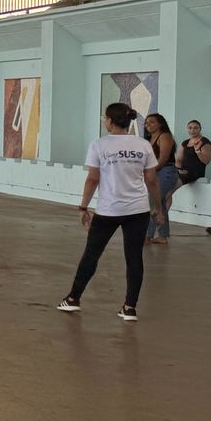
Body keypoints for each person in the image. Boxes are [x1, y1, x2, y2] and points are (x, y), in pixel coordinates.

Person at [58, 103, 165, 319]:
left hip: (108, 210)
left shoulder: (99, 145)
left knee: (91, 255)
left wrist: (83, 207)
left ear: (109, 120)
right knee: (134, 258)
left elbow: (93, 179)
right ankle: (130, 307)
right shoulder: (143, 144)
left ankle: (73, 299)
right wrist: (158, 208)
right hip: (138, 210)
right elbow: (151, 180)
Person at [144, 113, 177, 245]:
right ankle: (162, 236)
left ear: (160, 124)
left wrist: (149, 171)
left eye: (152, 122)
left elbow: (163, 159)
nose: (148, 125)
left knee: (151, 201)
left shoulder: (165, 136)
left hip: (166, 172)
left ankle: (147, 235)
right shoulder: (148, 139)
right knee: (160, 202)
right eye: (146, 123)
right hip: (155, 172)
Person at [177, 122, 211, 234]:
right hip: (183, 171)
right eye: (190, 128)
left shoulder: (205, 142)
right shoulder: (185, 143)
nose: (192, 130)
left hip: (195, 172)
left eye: (195, 128)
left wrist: (197, 151)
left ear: (200, 129)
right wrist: (178, 169)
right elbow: (178, 159)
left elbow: (206, 161)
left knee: (171, 186)